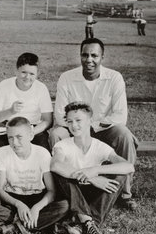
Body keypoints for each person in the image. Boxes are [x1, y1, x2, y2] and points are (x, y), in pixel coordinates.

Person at [50, 38, 139, 210]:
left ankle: (124, 194)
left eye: (94, 55)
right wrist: (78, 127)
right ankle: (63, 190)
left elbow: (120, 116)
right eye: (85, 55)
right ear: (80, 56)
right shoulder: (67, 78)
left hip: (102, 129)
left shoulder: (114, 78)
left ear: (102, 57)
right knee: (56, 134)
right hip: (74, 129)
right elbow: (60, 116)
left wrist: (91, 126)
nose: (89, 60)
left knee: (124, 134)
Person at [51, 102, 135, 234]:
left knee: (120, 174)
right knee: (61, 174)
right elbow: (55, 165)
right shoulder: (62, 145)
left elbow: (128, 166)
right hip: (72, 191)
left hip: (92, 193)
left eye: (78, 120)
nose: (74, 125)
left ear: (90, 121)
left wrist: (95, 171)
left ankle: (81, 223)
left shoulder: (100, 146)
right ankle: (89, 224)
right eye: (69, 121)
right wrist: (91, 178)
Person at [0, 117, 69, 234]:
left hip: (36, 198)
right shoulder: (3, 152)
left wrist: (37, 208)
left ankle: (14, 227)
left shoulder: (42, 153)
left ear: (30, 135)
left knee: (64, 206)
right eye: (10, 138)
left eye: (19, 137)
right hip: (12, 201)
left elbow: (51, 191)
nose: (15, 143)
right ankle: (31, 224)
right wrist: (18, 204)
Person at [0, 52, 53, 153]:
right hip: (8, 127)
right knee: (0, 151)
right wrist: (10, 111)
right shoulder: (4, 85)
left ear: (38, 74)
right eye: (24, 72)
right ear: (16, 71)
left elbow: (47, 120)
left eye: (32, 74)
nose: (27, 77)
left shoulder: (41, 88)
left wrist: (31, 133)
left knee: (44, 153)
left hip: (32, 129)